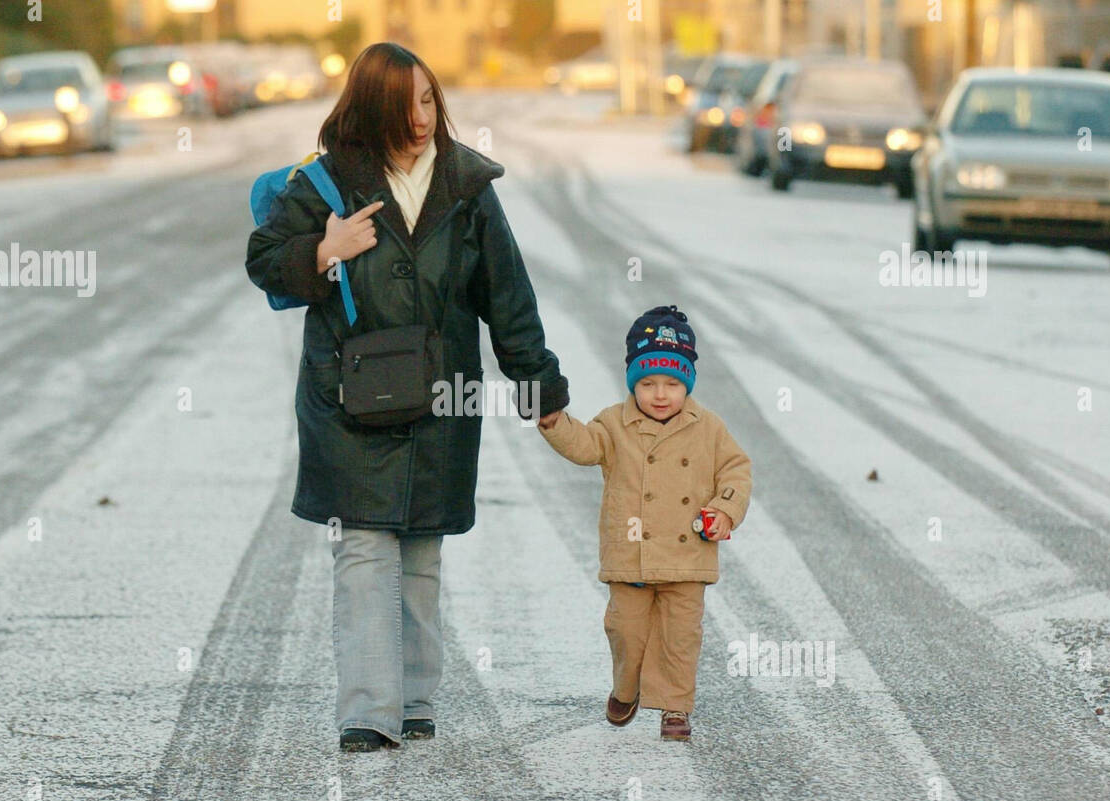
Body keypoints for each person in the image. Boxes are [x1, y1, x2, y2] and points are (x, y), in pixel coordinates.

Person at [245, 43, 568, 752]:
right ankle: (367, 713)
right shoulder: (326, 183)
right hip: (347, 399)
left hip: (441, 397)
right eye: (405, 103)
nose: (421, 118)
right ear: (373, 106)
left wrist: (537, 380)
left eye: (429, 100)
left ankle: (415, 702)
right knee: (363, 549)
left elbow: (506, 295)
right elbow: (263, 258)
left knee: (421, 551)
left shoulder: (468, 185)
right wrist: (324, 251)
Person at [536, 305, 752, 741]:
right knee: (625, 630)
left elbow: (736, 471)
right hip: (630, 554)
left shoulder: (708, 428)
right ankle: (626, 685)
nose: (659, 394)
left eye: (672, 383)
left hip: (688, 554)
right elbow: (584, 445)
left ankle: (675, 709)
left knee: (680, 638)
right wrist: (555, 422)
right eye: (648, 383)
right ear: (633, 381)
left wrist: (723, 511)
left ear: (687, 382)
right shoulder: (614, 423)